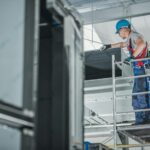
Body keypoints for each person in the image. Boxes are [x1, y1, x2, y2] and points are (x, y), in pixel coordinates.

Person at [101, 19, 150, 125]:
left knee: (141, 95)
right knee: (137, 96)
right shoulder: (130, 38)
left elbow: (141, 44)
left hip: (142, 69)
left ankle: (145, 120)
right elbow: (122, 44)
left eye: (118, 32)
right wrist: (109, 46)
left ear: (123, 29)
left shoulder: (135, 36)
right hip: (138, 70)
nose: (119, 34)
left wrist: (132, 57)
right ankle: (140, 120)